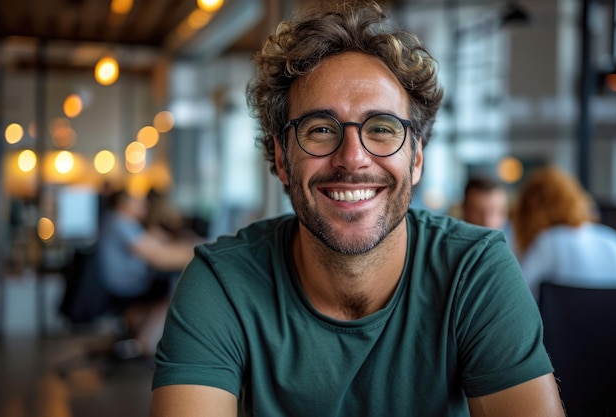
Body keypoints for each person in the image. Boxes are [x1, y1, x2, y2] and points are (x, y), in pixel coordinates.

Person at [150, 2, 564, 416]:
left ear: (416, 158)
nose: (353, 157)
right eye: (321, 129)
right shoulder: (222, 283)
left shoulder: (474, 270)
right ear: (281, 158)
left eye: (382, 128)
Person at [97, 189, 198, 357]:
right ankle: (144, 342)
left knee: (169, 284)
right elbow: (159, 258)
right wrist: (197, 250)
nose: (143, 205)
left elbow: (151, 244)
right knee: (179, 290)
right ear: (123, 203)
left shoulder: (117, 221)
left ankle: (140, 332)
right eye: (137, 201)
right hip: (125, 285)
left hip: (121, 282)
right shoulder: (120, 222)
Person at [511, 165, 616, 301]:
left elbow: (516, 296)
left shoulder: (548, 242)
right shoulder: (611, 239)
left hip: (559, 322)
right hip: (610, 322)